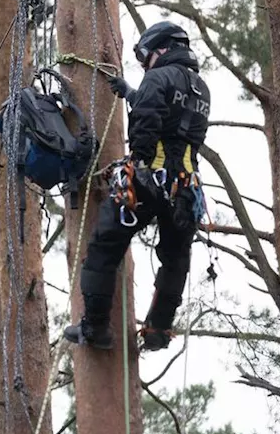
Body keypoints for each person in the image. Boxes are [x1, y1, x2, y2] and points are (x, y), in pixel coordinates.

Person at [63, 21, 211, 352]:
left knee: (104, 246)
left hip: (148, 181)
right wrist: (131, 93)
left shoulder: (158, 77)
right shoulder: (201, 88)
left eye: (146, 55)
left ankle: (95, 327)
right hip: (186, 188)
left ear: (163, 49)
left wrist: (137, 161)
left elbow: (148, 121)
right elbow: (175, 121)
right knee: (175, 259)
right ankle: (158, 329)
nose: (145, 63)